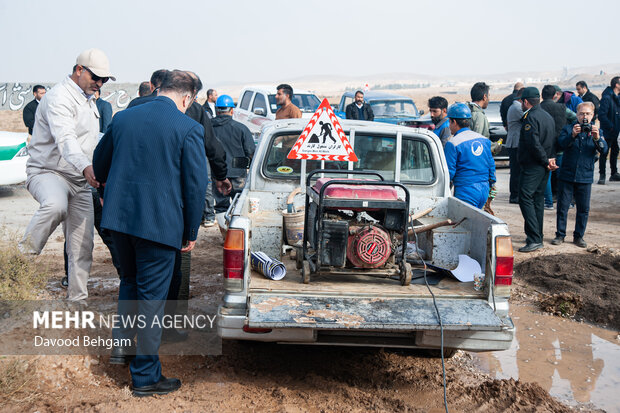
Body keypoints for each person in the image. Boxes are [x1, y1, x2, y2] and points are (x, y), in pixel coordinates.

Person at [93, 70, 207, 397]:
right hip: (158, 225)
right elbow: (195, 185)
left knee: (129, 283)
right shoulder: (188, 128)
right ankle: (145, 376)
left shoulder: (124, 118)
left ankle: (122, 349)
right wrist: (190, 231)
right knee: (152, 299)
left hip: (119, 221)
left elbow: (99, 167)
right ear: (187, 97)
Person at [18, 48, 116, 300]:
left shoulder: (88, 99)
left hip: (79, 181)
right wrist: (86, 166)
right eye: (96, 77)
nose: (100, 83)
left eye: (104, 79)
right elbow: (66, 139)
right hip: (48, 172)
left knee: (82, 246)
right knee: (55, 205)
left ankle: (78, 301)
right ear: (79, 70)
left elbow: (90, 142)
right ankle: (19, 260)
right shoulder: (59, 97)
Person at [551, 102, 608, 248]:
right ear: (577, 114)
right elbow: (560, 144)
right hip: (567, 174)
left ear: (593, 115)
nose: (584, 117)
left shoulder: (597, 132)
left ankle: (579, 236)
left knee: (583, 209)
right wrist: (572, 135)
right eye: (582, 113)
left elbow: (604, 150)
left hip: (585, 175)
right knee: (562, 207)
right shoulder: (568, 128)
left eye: (588, 114)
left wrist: (597, 138)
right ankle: (560, 235)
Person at [517, 87, 558, 253]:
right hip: (543, 164)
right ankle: (536, 237)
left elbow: (533, 144)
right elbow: (552, 140)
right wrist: (550, 159)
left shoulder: (530, 117)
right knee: (537, 200)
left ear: (526, 102)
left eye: (521, 101)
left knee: (525, 196)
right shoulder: (547, 116)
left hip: (534, 165)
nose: (521, 104)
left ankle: (534, 238)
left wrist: (544, 160)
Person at [211, 94, 255, 220]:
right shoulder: (241, 128)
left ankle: (224, 235)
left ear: (216, 110)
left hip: (218, 175)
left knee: (221, 206)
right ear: (231, 110)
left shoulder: (208, 128)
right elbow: (251, 152)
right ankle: (235, 233)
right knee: (239, 206)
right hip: (238, 174)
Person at [443, 103, 496, 208]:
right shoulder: (484, 140)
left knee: (464, 222)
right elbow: (491, 165)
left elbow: (449, 172)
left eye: (449, 122)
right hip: (484, 190)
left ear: (453, 121)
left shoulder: (453, 143)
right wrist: (492, 186)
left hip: (466, 191)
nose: (449, 126)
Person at [540, 85, 567, 209]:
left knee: (547, 176)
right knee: (562, 176)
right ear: (555, 95)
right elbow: (573, 117)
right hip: (560, 145)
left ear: (542, 95)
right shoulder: (562, 108)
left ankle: (549, 202)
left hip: (546, 147)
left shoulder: (539, 108)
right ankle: (566, 201)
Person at [598, 76, 620, 184]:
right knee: (604, 152)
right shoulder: (607, 97)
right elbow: (602, 115)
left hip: (616, 131)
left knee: (615, 151)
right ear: (617, 85)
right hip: (608, 131)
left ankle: (614, 173)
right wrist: (611, 126)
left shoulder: (617, 97)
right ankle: (602, 175)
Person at [505, 87, 524, 203]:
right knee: (516, 171)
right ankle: (515, 195)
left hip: (513, 141)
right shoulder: (517, 107)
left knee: (515, 170)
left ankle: (515, 194)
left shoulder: (514, 106)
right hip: (515, 142)